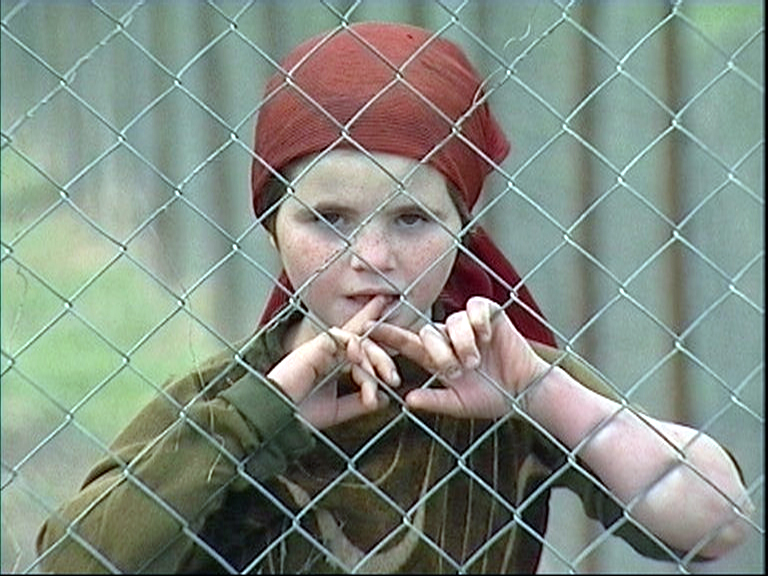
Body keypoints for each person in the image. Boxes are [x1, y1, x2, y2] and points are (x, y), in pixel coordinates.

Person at [36, 21, 752, 574]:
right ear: (272, 227)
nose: (372, 260)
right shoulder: (225, 401)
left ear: (462, 229)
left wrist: (541, 394)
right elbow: (70, 563)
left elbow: (718, 521)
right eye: (327, 219)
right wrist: (258, 419)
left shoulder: (498, 376)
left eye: (412, 220)